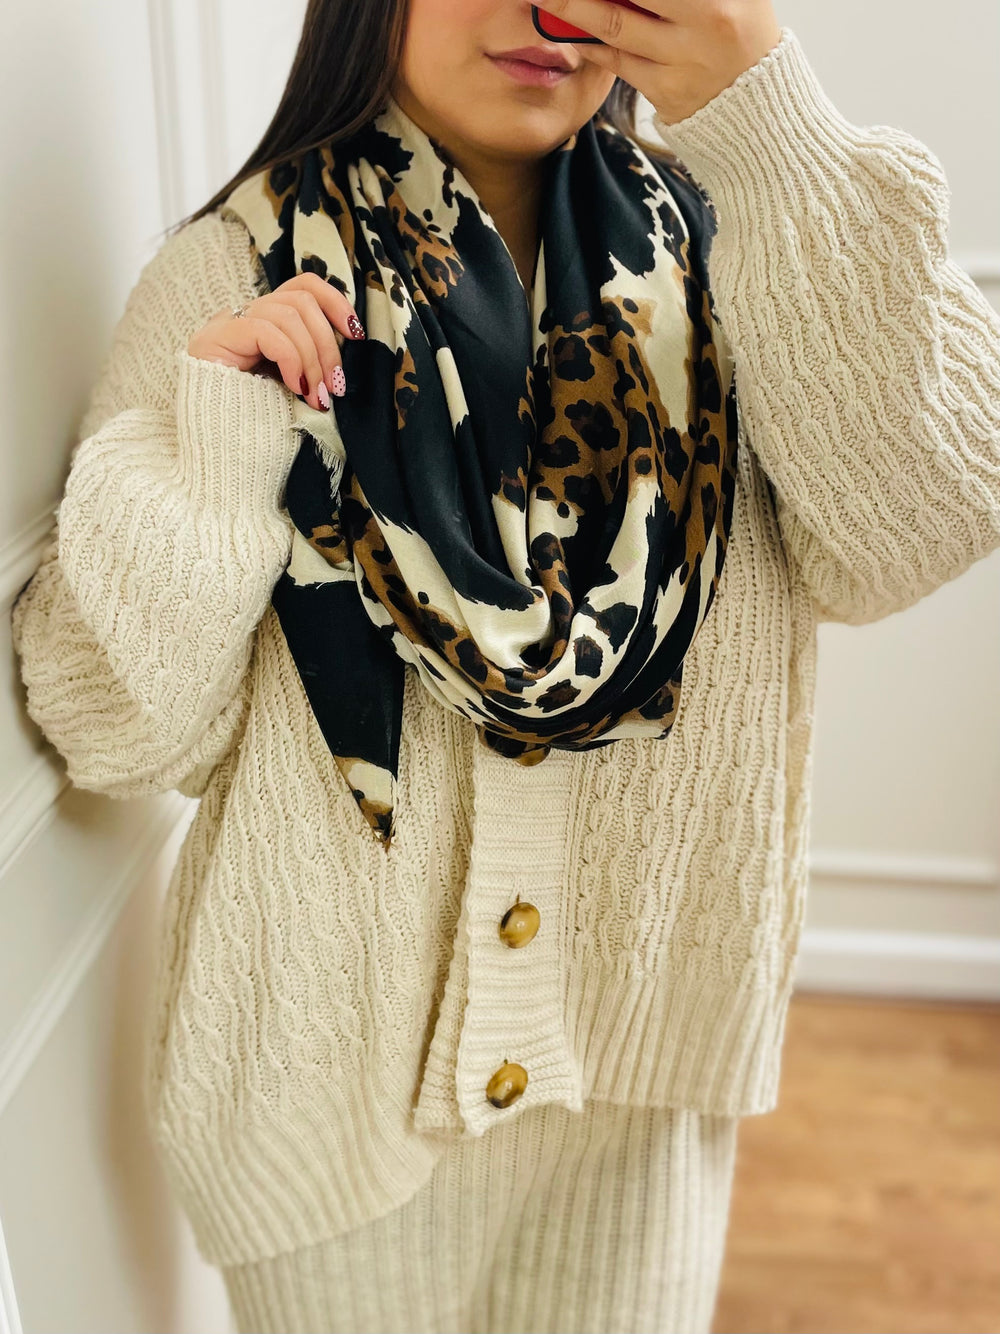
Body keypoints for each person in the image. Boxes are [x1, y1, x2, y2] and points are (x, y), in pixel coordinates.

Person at [11, 0, 1000, 1330]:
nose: (549, 9)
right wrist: (217, 448)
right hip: (323, 1113)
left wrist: (769, 119)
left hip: (638, 1091)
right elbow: (112, 730)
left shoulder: (747, 241)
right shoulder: (236, 269)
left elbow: (913, 528)